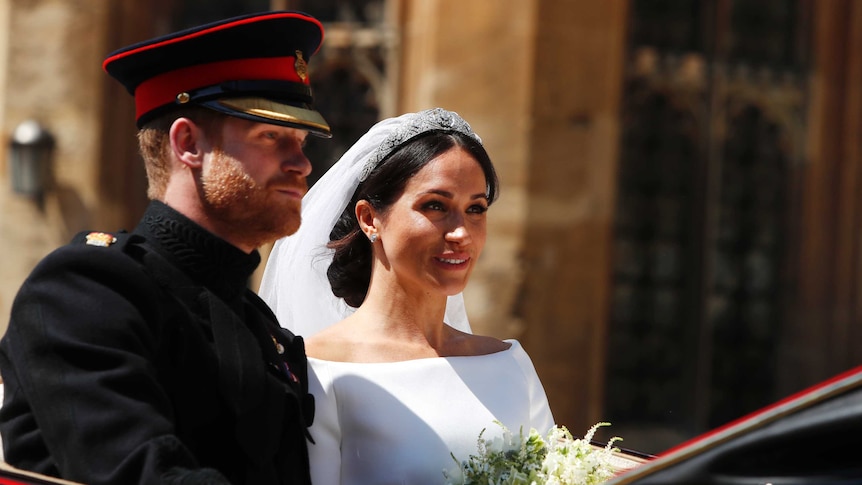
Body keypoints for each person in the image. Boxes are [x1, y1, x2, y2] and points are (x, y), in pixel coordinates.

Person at [0, 11, 331, 485]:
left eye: (302, 141)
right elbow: (141, 473)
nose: (302, 163)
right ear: (188, 142)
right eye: (273, 135)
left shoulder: (256, 320)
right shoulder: (84, 290)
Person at [259, 108, 555, 484]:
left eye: (475, 209)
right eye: (435, 206)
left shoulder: (510, 364)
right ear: (370, 219)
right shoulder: (318, 370)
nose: (461, 233)